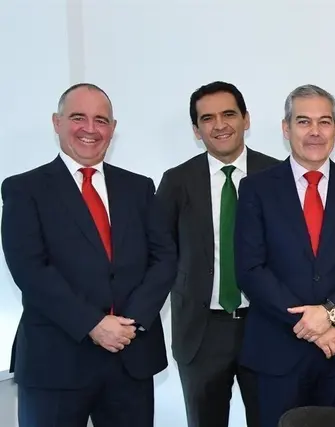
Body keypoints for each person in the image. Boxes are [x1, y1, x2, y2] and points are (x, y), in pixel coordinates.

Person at [1, 83, 177, 427]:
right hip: (55, 361)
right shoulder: (24, 189)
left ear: (113, 128)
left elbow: (165, 257)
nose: (90, 129)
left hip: (131, 357)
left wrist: (131, 322)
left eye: (101, 120)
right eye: (78, 117)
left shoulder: (139, 187)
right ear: (57, 122)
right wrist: (93, 325)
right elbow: (30, 270)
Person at [235, 84, 335, 424]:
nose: (316, 132)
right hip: (278, 350)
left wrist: (331, 313)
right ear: (286, 128)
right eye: (304, 122)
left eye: (325, 121)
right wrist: (312, 323)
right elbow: (250, 269)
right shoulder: (256, 188)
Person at [152, 81, 277, 427]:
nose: (219, 125)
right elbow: (160, 255)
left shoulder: (277, 175)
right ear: (196, 129)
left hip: (265, 327)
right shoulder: (176, 182)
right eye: (208, 118)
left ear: (246, 119)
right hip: (201, 333)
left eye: (228, 114)